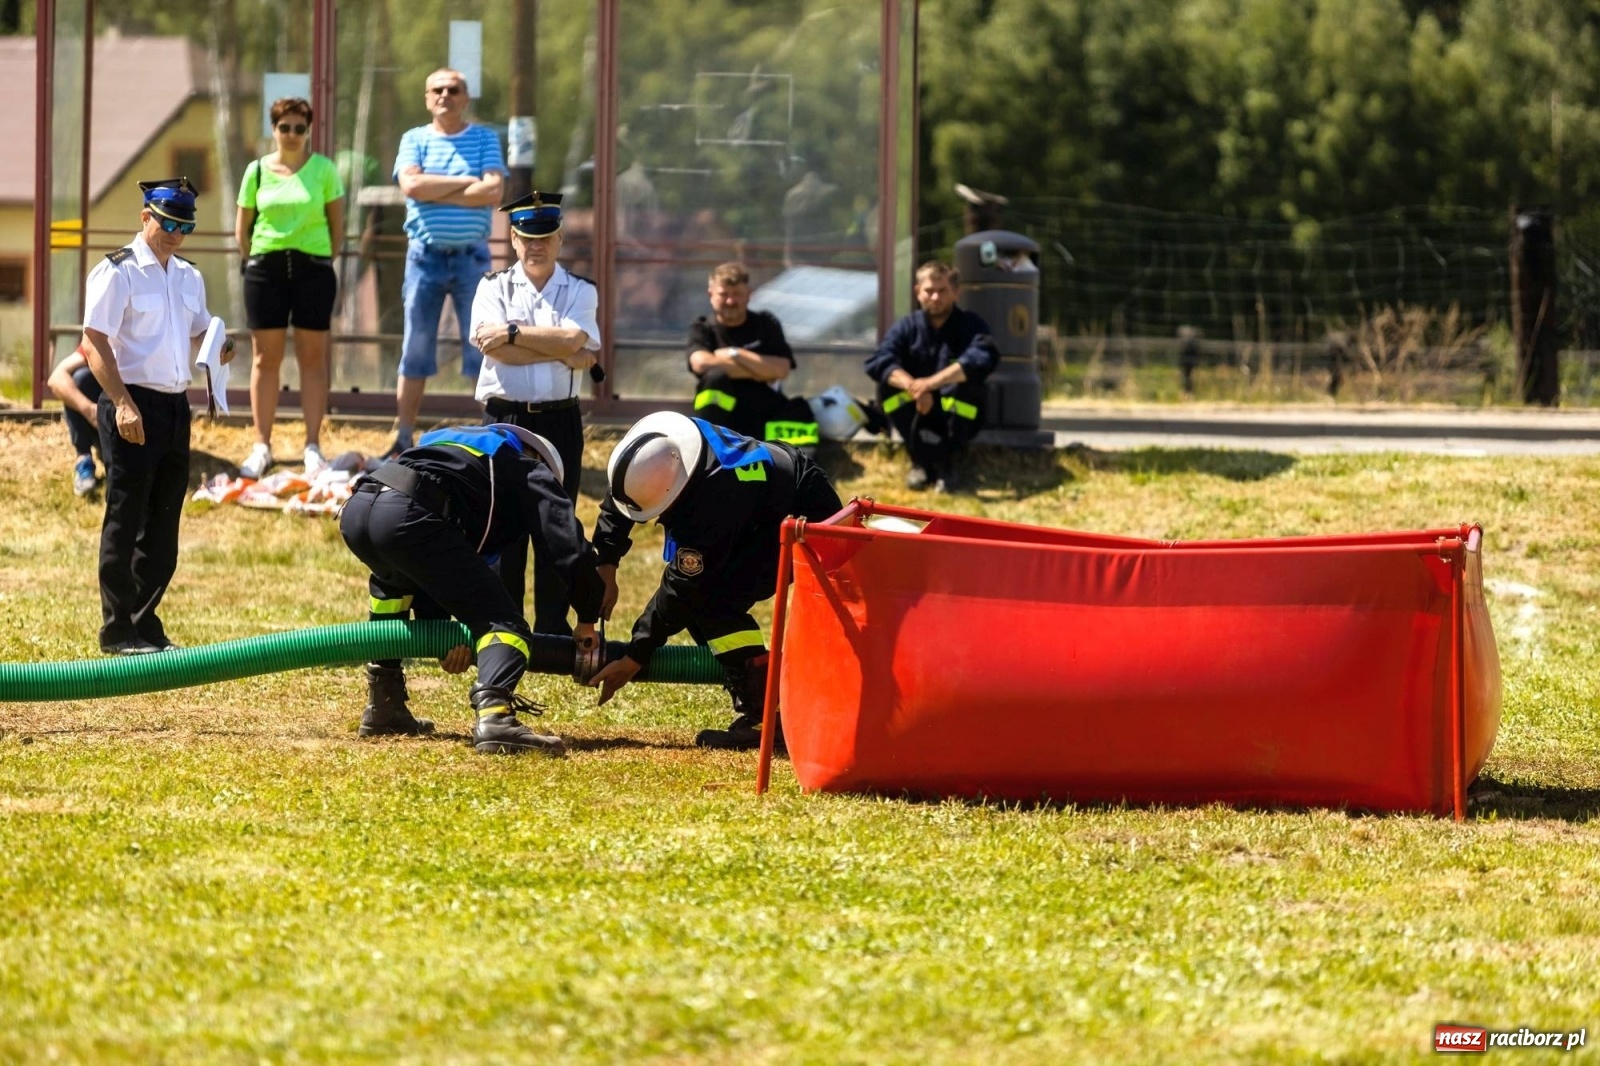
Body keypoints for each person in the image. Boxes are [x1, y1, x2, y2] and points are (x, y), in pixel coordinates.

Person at [339, 423, 604, 755]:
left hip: (359, 509)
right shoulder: (526, 466)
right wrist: (587, 614)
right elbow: (568, 546)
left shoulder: (452, 448)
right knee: (504, 623)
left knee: (392, 590)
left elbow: (434, 566)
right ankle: (496, 719)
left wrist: (444, 634)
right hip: (409, 515)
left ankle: (384, 705)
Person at [587, 413, 843, 751]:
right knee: (706, 605)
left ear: (675, 495)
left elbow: (681, 589)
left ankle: (769, 717)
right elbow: (623, 496)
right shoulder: (656, 445)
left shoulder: (712, 499)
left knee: (711, 600)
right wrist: (606, 561)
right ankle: (763, 699)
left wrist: (636, 655)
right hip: (765, 497)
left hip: (801, 510)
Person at [81, 177, 233, 655]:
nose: (174, 233)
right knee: (126, 517)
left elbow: (196, 331)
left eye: (184, 226)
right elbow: (93, 342)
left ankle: (145, 621)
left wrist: (216, 346)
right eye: (167, 222)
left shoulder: (188, 275)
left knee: (165, 524)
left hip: (173, 404)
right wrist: (122, 402)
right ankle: (117, 628)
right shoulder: (117, 272)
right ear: (144, 216)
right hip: (131, 402)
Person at [469, 191, 599, 636]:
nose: (536, 246)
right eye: (527, 237)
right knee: (504, 523)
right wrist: (560, 349)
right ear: (513, 238)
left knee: (556, 524)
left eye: (545, 237)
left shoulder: (582, 290)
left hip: (560, 420)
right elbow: (499, 353)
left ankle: (551, 627)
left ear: (560, 239)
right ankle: (506, 624)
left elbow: (573, 340)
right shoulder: (492, 286)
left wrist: (512, 335)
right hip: (505, 419)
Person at [388, 69, 506, 456]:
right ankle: (404, 436)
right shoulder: (414, 139)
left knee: (482, 350)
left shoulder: (485, 138)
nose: (445, 95)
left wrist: (433, 187)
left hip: (473, 258)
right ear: (426, 98)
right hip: (424, 258)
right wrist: (465, 181)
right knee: (415, 348)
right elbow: (411, 186)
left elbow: (493, 190)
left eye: (453, 89)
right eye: (437, 89)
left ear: (465, 97)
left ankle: (491, 439)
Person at [234, 96, 346, 479]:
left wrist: (319, 260)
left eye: (300, 127)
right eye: (286, 127)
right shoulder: (257, 171)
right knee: (266, 359)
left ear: (309, 130)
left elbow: (338, 228)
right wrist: (253, 261)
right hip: (265, 269)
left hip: (313, 269)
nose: (293, 134)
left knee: (312, 359)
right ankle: (262, 445)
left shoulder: (324, 170)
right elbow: (242, 228)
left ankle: (312, 446)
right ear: (274, 129)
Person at [864, 260, 1000, 493]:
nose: (935, 297)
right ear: (918, 292)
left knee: (966, 386)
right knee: (887, 388)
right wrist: (912, 387)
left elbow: (982, 357)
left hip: (954, 413)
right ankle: (920, 463)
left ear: (955, 292)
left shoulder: (971, 325)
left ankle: (949, 463)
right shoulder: (906, 327)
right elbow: (879, 360)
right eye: (929, 291)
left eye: (942, 291)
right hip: (916, 409)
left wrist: (930, 384)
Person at [687, 262, 819, 448]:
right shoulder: (703, 328)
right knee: (716, 378)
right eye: (724, 294)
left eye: (737, 294)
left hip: (764, 415)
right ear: (711, 295)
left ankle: (791, 468)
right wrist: (760, 369)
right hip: (722, 423)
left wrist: (736, 353)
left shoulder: (765, 324)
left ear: (749, 294)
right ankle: (711, 445)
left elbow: (781, 370)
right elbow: (701, 364)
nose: (731, 301)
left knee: (800, 412)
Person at [46, 340, 104, 496]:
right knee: (79, 379)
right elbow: (56, 378)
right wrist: (91, 411)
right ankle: (84, 459)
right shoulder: (103, 339)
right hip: (107, 422)